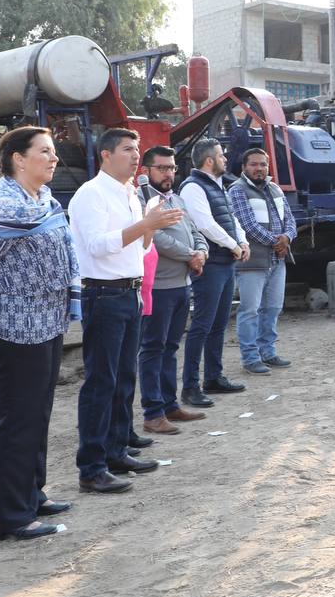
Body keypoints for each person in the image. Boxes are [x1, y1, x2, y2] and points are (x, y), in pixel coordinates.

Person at [0, 127, 78, 541]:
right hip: (14, 328)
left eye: (53, 152)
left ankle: (32, 494)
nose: (54, 159)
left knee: (38, 414)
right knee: (17, 420)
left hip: (48, 322)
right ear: (18, 159)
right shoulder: (0, 208)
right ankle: (10, 516)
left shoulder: (45, 202)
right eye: (44, 152)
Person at [70, 128, 184, 495]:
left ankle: (116, 450)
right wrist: (145, 225)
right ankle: (92, 467)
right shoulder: (91, 194)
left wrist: (150, 226)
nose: (136, 156)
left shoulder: (130, 193)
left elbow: (140, 248)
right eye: (127, 149)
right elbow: (97, 245)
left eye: (137, 149)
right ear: (105, 155)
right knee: (101, 381)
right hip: (103, 293)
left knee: (124, 378)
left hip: (130, 291)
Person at [136, 145, 208, 437]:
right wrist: (190, 254)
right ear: (146, 171)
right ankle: (153, 413)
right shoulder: (142, 200)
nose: (169, 174)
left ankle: (170, 405)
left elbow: (195, 230)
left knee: (170, 347)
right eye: (162, 168)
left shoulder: (176, 199)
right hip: (158, 287)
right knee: (153, 348)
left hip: (182, 285)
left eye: (172, 168)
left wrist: (201, 252)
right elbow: (156, 238)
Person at [179, 138, 249, 407]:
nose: (225, 159)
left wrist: (242, 241)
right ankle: (190, 387)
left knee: (218, 325)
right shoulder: (193, 187)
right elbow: (205, 224)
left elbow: (231, 218)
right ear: (209, 160)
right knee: (202, 326)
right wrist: (234, 245)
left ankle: (213, 377)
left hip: (225, 262)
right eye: (221, 155)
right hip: (210, 266)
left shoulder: (217, 185)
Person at [228, 148, 297, 375]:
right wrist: (277, 242)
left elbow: (290, 219)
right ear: (244, 167)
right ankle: (250, 358)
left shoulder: (275, 189)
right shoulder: (237, 190)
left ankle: (268, 352)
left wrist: (287, 237)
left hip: (277, 261)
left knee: (273, 308)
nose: (259, 168)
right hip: (252, 263)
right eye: (254, 164)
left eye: (263, 164)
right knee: (250, 311)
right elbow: (246, 225)